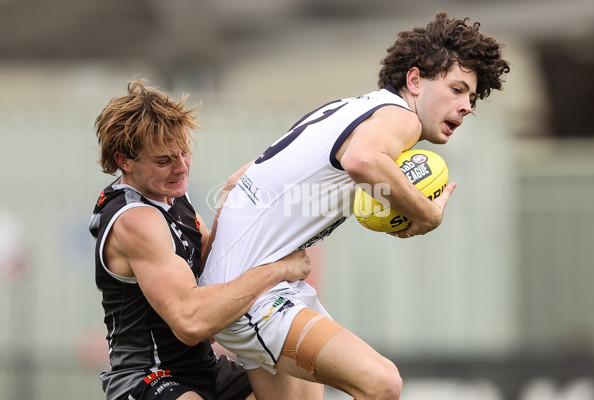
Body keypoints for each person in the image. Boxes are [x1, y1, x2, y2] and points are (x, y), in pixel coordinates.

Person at [199, 12, 511, 400]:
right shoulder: (401, 118)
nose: (466, 105)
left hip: (254, 289)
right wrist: (426, 212)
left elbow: (234, 183)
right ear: (414, 80)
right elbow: (363, 160)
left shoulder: (349, 109)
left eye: (471, 97)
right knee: (382, 383)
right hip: (254, 297)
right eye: (457, 89)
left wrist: (211, 279)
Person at [89, 79, 314, 400]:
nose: (181, 168)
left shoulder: (169, 194)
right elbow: (191, 322)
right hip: (147, 376)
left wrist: (229, 203)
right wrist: (280, 268)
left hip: (203, 366)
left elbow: (212, 266)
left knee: (297, 376)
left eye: (184, 152)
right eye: (164, 160)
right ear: (124, 161)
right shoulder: (134, 219)